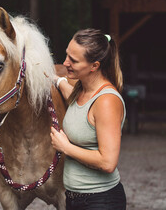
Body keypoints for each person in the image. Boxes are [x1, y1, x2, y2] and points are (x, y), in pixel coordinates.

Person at [50, 29, 126, 210]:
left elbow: (108, 162)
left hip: (100, 201)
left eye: (74, 61)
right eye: (67, 55)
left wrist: (66, 148)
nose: (65, 63)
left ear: (94, 66)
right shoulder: (81, 91)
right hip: (75, 198)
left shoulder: (106, 101)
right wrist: (56, 79)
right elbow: (75, 101)